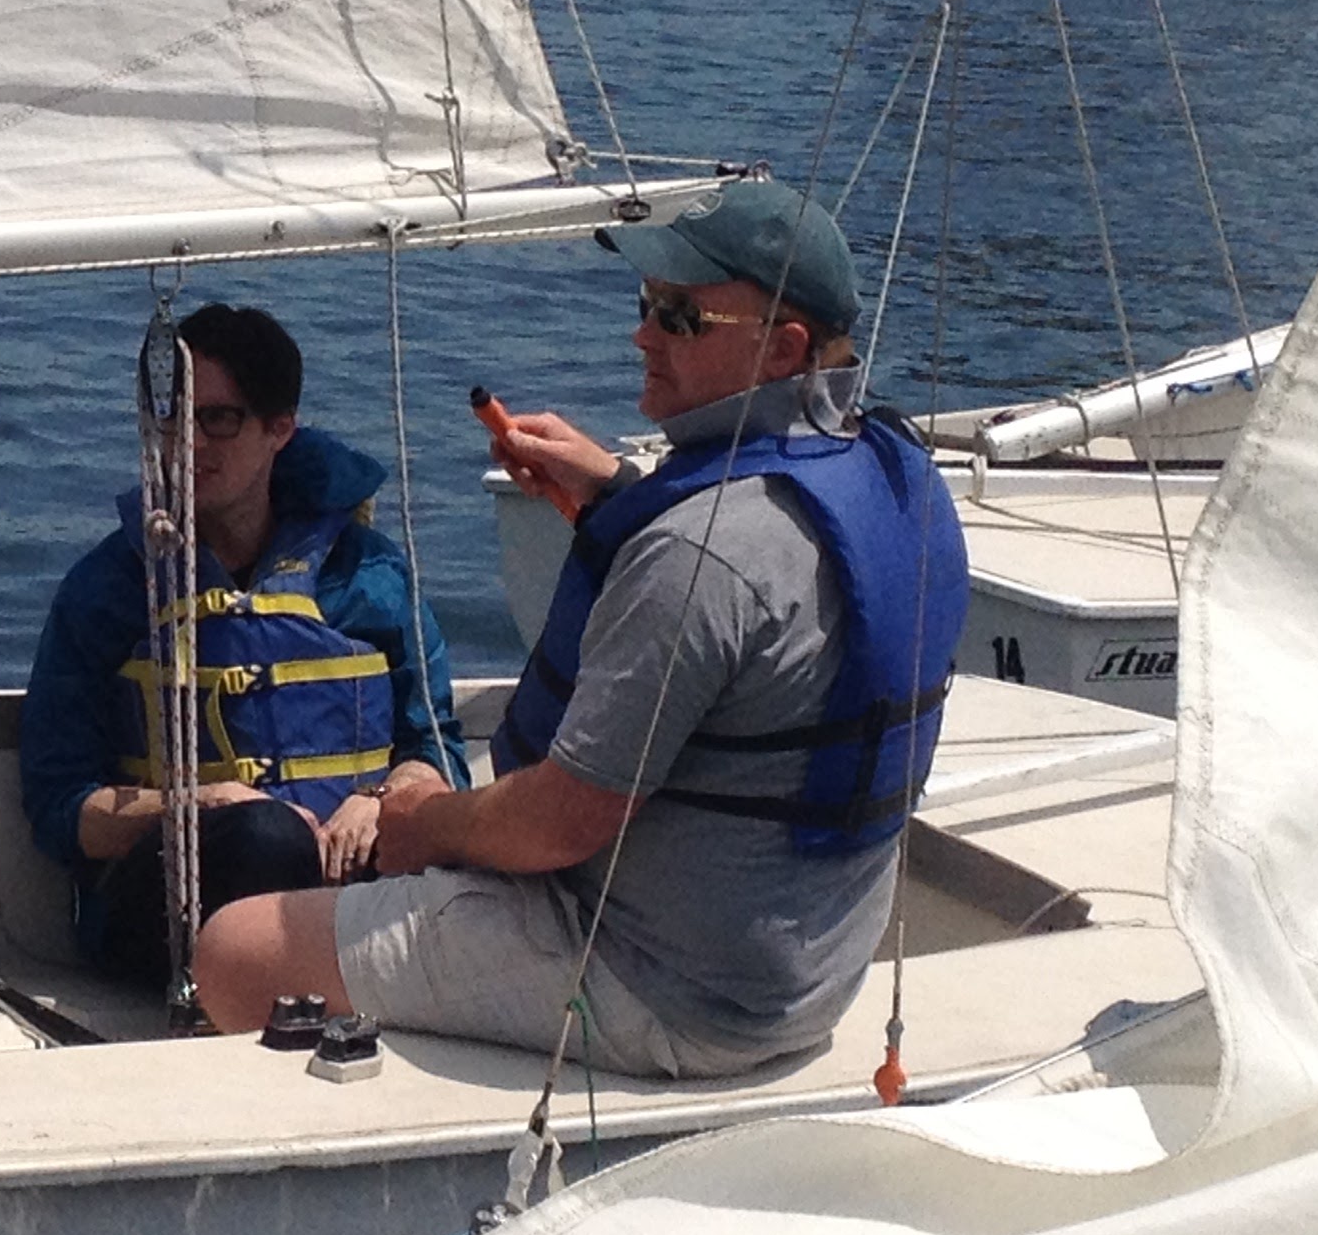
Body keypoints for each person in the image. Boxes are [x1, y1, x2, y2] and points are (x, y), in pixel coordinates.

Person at [197, 183, 972, 1079]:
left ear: (783, 347)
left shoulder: (697, 556)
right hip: (804, 975)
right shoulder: (899, 478)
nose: (642, 335)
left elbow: (559, 824)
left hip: (659, 985)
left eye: (680, 317)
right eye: (646, 302)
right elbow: (768, 592)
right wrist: (615, 496)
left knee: (237, 949)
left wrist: (425, 825)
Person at [19, 304, 463, 990]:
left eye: (218, 419)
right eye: (173, 417)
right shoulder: (109, 589)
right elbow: (58, 805)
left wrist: (383, 799)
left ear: (279, 429)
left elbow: (435, 748)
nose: (188, 442)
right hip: (170, 905)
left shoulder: (369, 576)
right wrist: (200, 805)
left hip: (348, 898)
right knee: (264, 837)